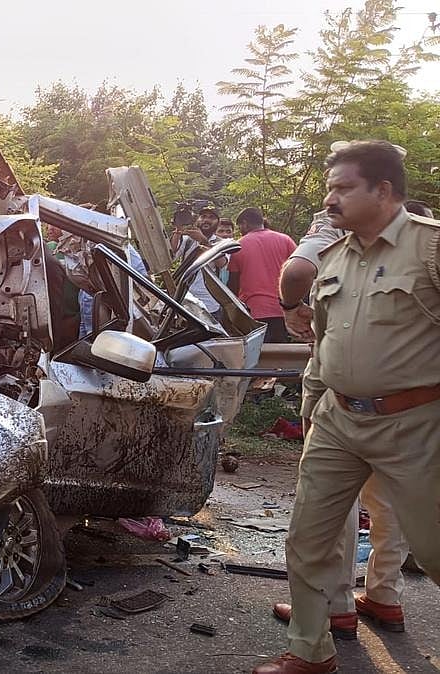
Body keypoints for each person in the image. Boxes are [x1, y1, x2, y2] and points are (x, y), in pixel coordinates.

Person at [254, 140, 440, 674]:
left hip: (414, 422)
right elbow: (323, 340)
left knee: (433, 546)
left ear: (383, 190)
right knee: (308, 538)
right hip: (338, 420)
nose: (329, 199)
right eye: (328, 188)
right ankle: (310, 652)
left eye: (342, 188)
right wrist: (315, 402)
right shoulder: (333, 258)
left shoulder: (430, 248)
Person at [227, 207, 297, 342]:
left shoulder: (239, 245)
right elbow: (297, 272)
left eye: (240, 226)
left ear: (245, 223)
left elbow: (233, 284)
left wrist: (231, 313)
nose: (240, 230)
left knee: (257, 352)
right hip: (282, 309)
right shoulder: (285, 240)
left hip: (253, 311)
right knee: (280, 351)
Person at [170, 205, 228, 320]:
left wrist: (203, 241)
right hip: (186, 301)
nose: (206, 220)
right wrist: (178, 230)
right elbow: (171, 257)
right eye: (203, 216)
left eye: (211, 217)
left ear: (218, 222)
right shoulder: (187, 240)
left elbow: (222, 264)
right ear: (197, 219)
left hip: (210, 304)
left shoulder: (222, 243)